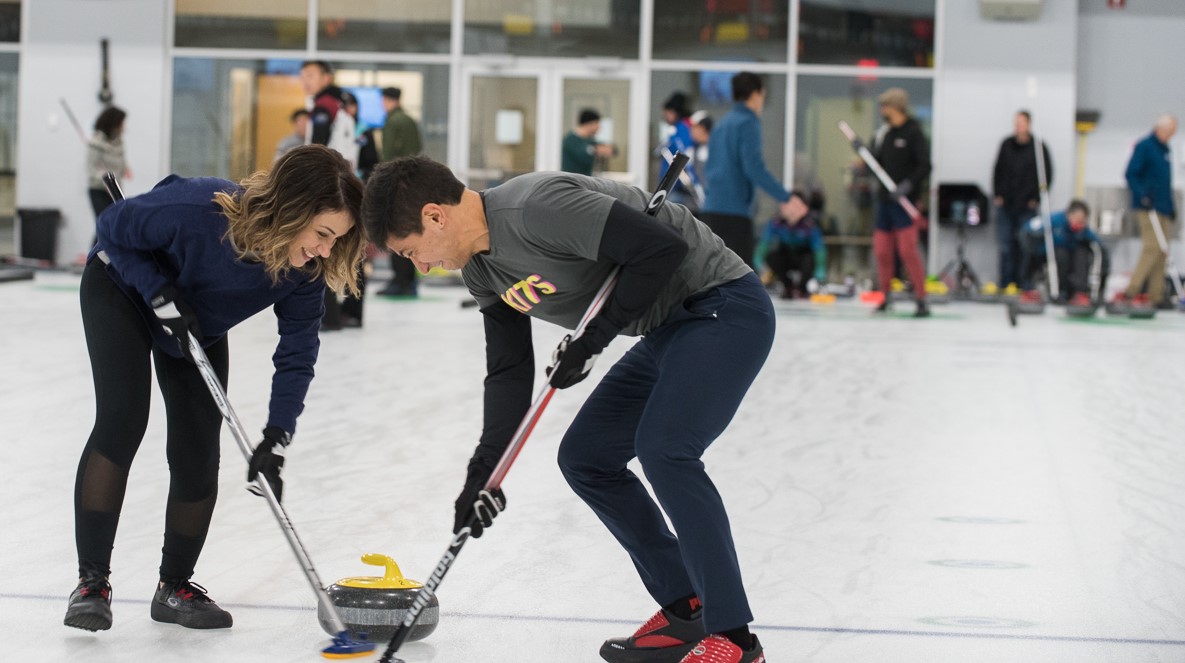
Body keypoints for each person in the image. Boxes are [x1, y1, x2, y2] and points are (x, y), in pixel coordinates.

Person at [364, 156, 772, 663]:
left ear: (435, 216)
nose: (419, 266)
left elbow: (662, 248)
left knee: (665, 450)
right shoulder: (480, 269)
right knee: (586, 455)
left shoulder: (538, 207)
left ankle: (734, 638)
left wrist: (593, 339)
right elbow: (509, 371)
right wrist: (482, 476)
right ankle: (686, 604)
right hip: (667, 331)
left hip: (722, 306)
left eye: (411, 251)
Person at [65, 145, 365, 634]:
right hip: (122, 287)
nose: (326, 250)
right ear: (291, 209)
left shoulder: (303, 272)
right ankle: (91, 583)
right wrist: (156, 290)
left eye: (337, 240)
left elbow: (297, 354)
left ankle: (174, 587)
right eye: (322, 234)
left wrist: (277, 437)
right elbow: (115, 227)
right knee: (123, 420)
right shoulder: (199, 208)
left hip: (195, 322)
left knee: (199, 449)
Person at [701, 71, 794, 269]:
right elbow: (754, 168)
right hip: (734, 215)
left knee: (713, 276)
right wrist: (786, 198)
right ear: (755, 95)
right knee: (741, 281)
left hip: (710, 211)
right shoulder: (748, 122)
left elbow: (709, 167)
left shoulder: (722, 124)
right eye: (763, 95)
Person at [300, 60, 361, 330]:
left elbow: (317, 151)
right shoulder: (342, 107)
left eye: (311, 75)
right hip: (345, 186)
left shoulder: (325, 106)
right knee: (344, 249)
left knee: (317, 247)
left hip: (326, 188)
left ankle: (327, 315)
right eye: (303, 76)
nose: (306, 81)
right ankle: (347, 313)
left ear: (326, 77)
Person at [867, 87, 932, 318]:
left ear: (896, 107)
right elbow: (874, 165)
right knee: (882, 251)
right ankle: (886, 296)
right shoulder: (884, 133)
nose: (882, 111)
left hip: (905, 203)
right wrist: (864, 153)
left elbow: (924, 165)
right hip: (884, 202)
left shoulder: (914, 133)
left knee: (908, 251)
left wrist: (908, 185)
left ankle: (922, 298)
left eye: (885, 106)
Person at [1112, 114, 1177, 311]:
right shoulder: (1145, 146)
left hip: (1164, 207)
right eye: (1169, 131)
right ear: (1160, 128)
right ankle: (1132, 291)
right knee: (1151, 248)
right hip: (1148, 207)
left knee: (1162, 251)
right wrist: (1143, 195)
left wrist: (1171, 206)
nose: (1171, 135)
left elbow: (1165, 181)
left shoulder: (1165, 149)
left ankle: (1156, 295)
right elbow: (1131, 173)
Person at [992, 110, 1053, 290]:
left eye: (1022, 123)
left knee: (1025, 245)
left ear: (1029, 124)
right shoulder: (1006, 145)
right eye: (1016, 123)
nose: (1018, 126)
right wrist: (998, 194)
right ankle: (1006, 283)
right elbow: (998, 171)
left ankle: (1024, 283)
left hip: (1027, 205)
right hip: (1006, 205)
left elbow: (1046, 176)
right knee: (1005, 245)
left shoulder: (1039, 147)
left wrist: (1036, 198)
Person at [1018, 199, 1109, 306]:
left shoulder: (1083, 231)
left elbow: (1100, 246)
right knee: (1061, 255)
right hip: (1051, 256)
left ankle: (1080, 292)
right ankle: (1059, 291)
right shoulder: (1054, 220)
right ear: (1069, 214)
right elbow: (1028, 229)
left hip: (1073, 260)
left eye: (1083, 220)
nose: (1080, 223)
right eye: (1078, 219)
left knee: (1082, 253)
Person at [378, 86, 424, 297]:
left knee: (396, 232)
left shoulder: (393, 121)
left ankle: (400, 281)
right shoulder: (409, 120)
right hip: (412, 183)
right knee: (410, 231)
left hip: (396, 184)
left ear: (386, 100)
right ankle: (409, 281)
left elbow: (388, 156)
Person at [754, 190, 826, 299]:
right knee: (774, 257)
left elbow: (819, 250)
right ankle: (787, 286)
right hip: (786, 255)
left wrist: (820, 274)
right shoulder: (776, 223)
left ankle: (802, 288)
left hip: (804, 257)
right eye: (789, 205)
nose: (792, 210)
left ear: (804, 209)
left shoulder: (810, 225)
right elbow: (764, 245)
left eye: (796, 206)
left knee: (808, 260)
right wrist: (760, 266)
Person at [87, 106, 131, 246]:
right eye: (122, 123)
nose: (123, 127)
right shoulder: (96, 142)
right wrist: (105, 182)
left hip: (115, 190)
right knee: (105, 224)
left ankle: (109, 258)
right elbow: (91, 168)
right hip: (99, 190)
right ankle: (93, 259)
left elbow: (121, 163)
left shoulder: (119, 142)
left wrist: (126, 169)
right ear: (114, 123)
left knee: (114, 224)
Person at [659, 92, 703, 209]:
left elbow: (686, 157)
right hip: (677, 187)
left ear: (673, 112)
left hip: (678, 189)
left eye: (666, 113)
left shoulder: (681, 129)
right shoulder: (683, 128)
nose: (665, 117)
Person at [561, 108, 613, 176]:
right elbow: (583, 154)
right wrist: (596, 150)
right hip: (572, 182)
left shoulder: (589, 140)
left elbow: (611, 150)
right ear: (589, 123)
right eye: (597, 123)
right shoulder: (570, 140)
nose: (599, 127)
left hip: (584, 182)